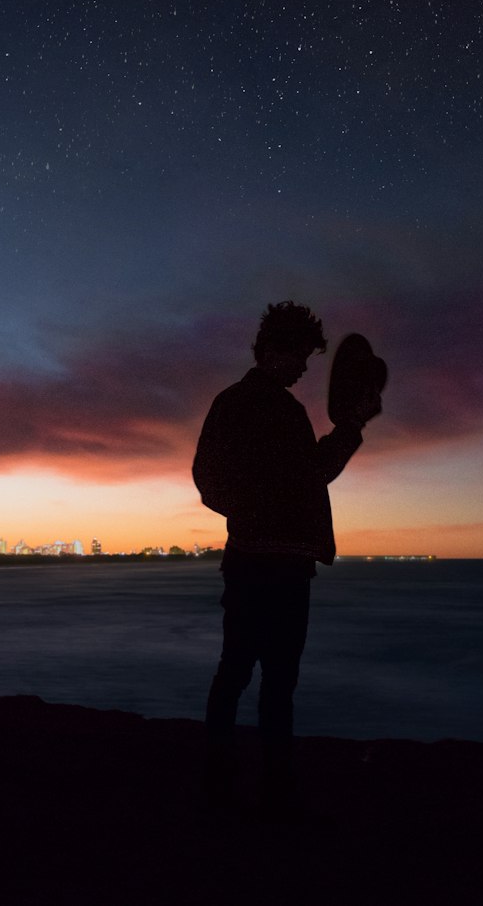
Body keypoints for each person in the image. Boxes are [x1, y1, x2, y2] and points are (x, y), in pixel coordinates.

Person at [193, 301, 381, 815]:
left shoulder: (237, 403)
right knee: (270, 680)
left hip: (261, 561)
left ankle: (224, 777)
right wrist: (350, 430)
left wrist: (251, 508)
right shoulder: (266, 409)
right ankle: (269, 786)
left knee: (242, 673)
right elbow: (307, 473)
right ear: (274, 351)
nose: (303, 368)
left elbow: (209, 481)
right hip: (275, 564)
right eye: (299, 355)